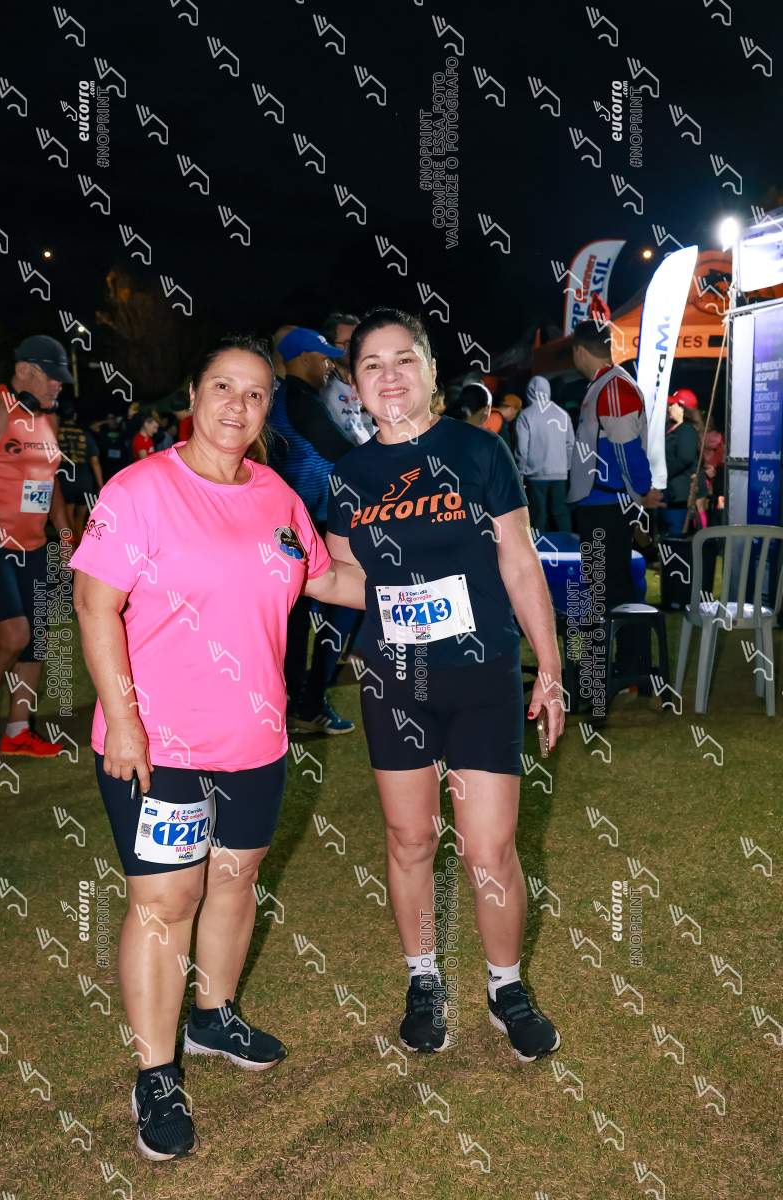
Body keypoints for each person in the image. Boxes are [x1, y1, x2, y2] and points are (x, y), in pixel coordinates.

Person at [70, 334, 365, 1162]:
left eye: (256, 394)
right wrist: (125, 722)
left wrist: (433, 578)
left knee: (234, 883)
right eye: (224, 388)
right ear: (194, 396)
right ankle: (156, 1073)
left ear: (270, 409)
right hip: (159, 744)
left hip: (255, 740)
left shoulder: (276, 495)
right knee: (168, 903)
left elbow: (324, 579)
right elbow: (93, 605)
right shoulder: (139, 491)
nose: (239, 406)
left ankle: (213, 1016)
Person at [326, 307, 565, 1063]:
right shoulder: (348, 476)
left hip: (482, 673)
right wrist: (277, 567)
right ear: (355, 384)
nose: (390, 375)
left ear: (431, 369)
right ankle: (423, 979)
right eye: (372, 364)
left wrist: (550, 667)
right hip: (395, 679)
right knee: (411, 839)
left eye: (405, 359)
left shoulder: (478, 450)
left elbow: (518, 560)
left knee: (488, 849)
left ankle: (505, 987)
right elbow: (347, 579)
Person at [0, 334, 73, 759]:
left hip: (35, 547)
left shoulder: (46, 419)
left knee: (36, 640)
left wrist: (66, 534)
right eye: (52, 376)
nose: (59, 385)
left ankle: (18, 729)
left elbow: (49, 481)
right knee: (13, 634)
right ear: (24, 370)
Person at [269, 327, 358, 734]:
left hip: (298, 522)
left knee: (299, 616)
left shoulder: (292, 398)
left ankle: (294, 699)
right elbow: (341, 451)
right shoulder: (299, 399)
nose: (328, 366)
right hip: (309, 523)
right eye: (322, 358)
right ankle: (309, 702)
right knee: (339, 608)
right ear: (302, 357)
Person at [567, 320, 664, 682]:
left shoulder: (612, 387)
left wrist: (641, 490)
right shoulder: (606, 385)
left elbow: (625, 448)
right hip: (603, 505)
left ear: (580, 350)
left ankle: (629, 668)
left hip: (607, 507)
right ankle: (623, 666)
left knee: (613, 590)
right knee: (609, 589)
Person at [516, 376, 574, 533]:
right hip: (560, 474)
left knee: (538, 515)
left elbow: (522, 449)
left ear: (529, 392)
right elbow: (570, 445)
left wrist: (520, 473)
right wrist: (566, 468)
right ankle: (568, 544)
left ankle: (538, 546)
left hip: (535, 475)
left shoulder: (526, 415)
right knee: (560, 513)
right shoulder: (563, 414)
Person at [319, 312, 373, 444]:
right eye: (346, 342)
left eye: (357, 342)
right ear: (330, 345)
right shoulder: (321, 386)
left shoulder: (370, 381)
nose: (353, 348)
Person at [56, 402, 103, 544]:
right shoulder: (85, 435)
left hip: (65, 481)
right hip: (84, 482)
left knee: (67, 518)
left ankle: (70, 547)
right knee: (81, 519)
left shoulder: (55, 434)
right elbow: (94, 462)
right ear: (74, 416)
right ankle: (79, 548)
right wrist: (100, 484)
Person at [659, 388, 704, 536]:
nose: (669, 407)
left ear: (682, 409)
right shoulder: (671, 428)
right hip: (668, 492)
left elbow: (685, 458)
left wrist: (662, 473)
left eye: (673, 404)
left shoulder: (686, 430)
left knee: (676, 533)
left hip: (679, 495)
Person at [92, 411, 128, 481]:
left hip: (119, 465)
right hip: (107, 465)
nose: (111, 420)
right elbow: (93, 427)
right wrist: (106, 421)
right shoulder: (104, 431)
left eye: (112, 418)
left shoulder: (121, 430)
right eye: (108, 418)